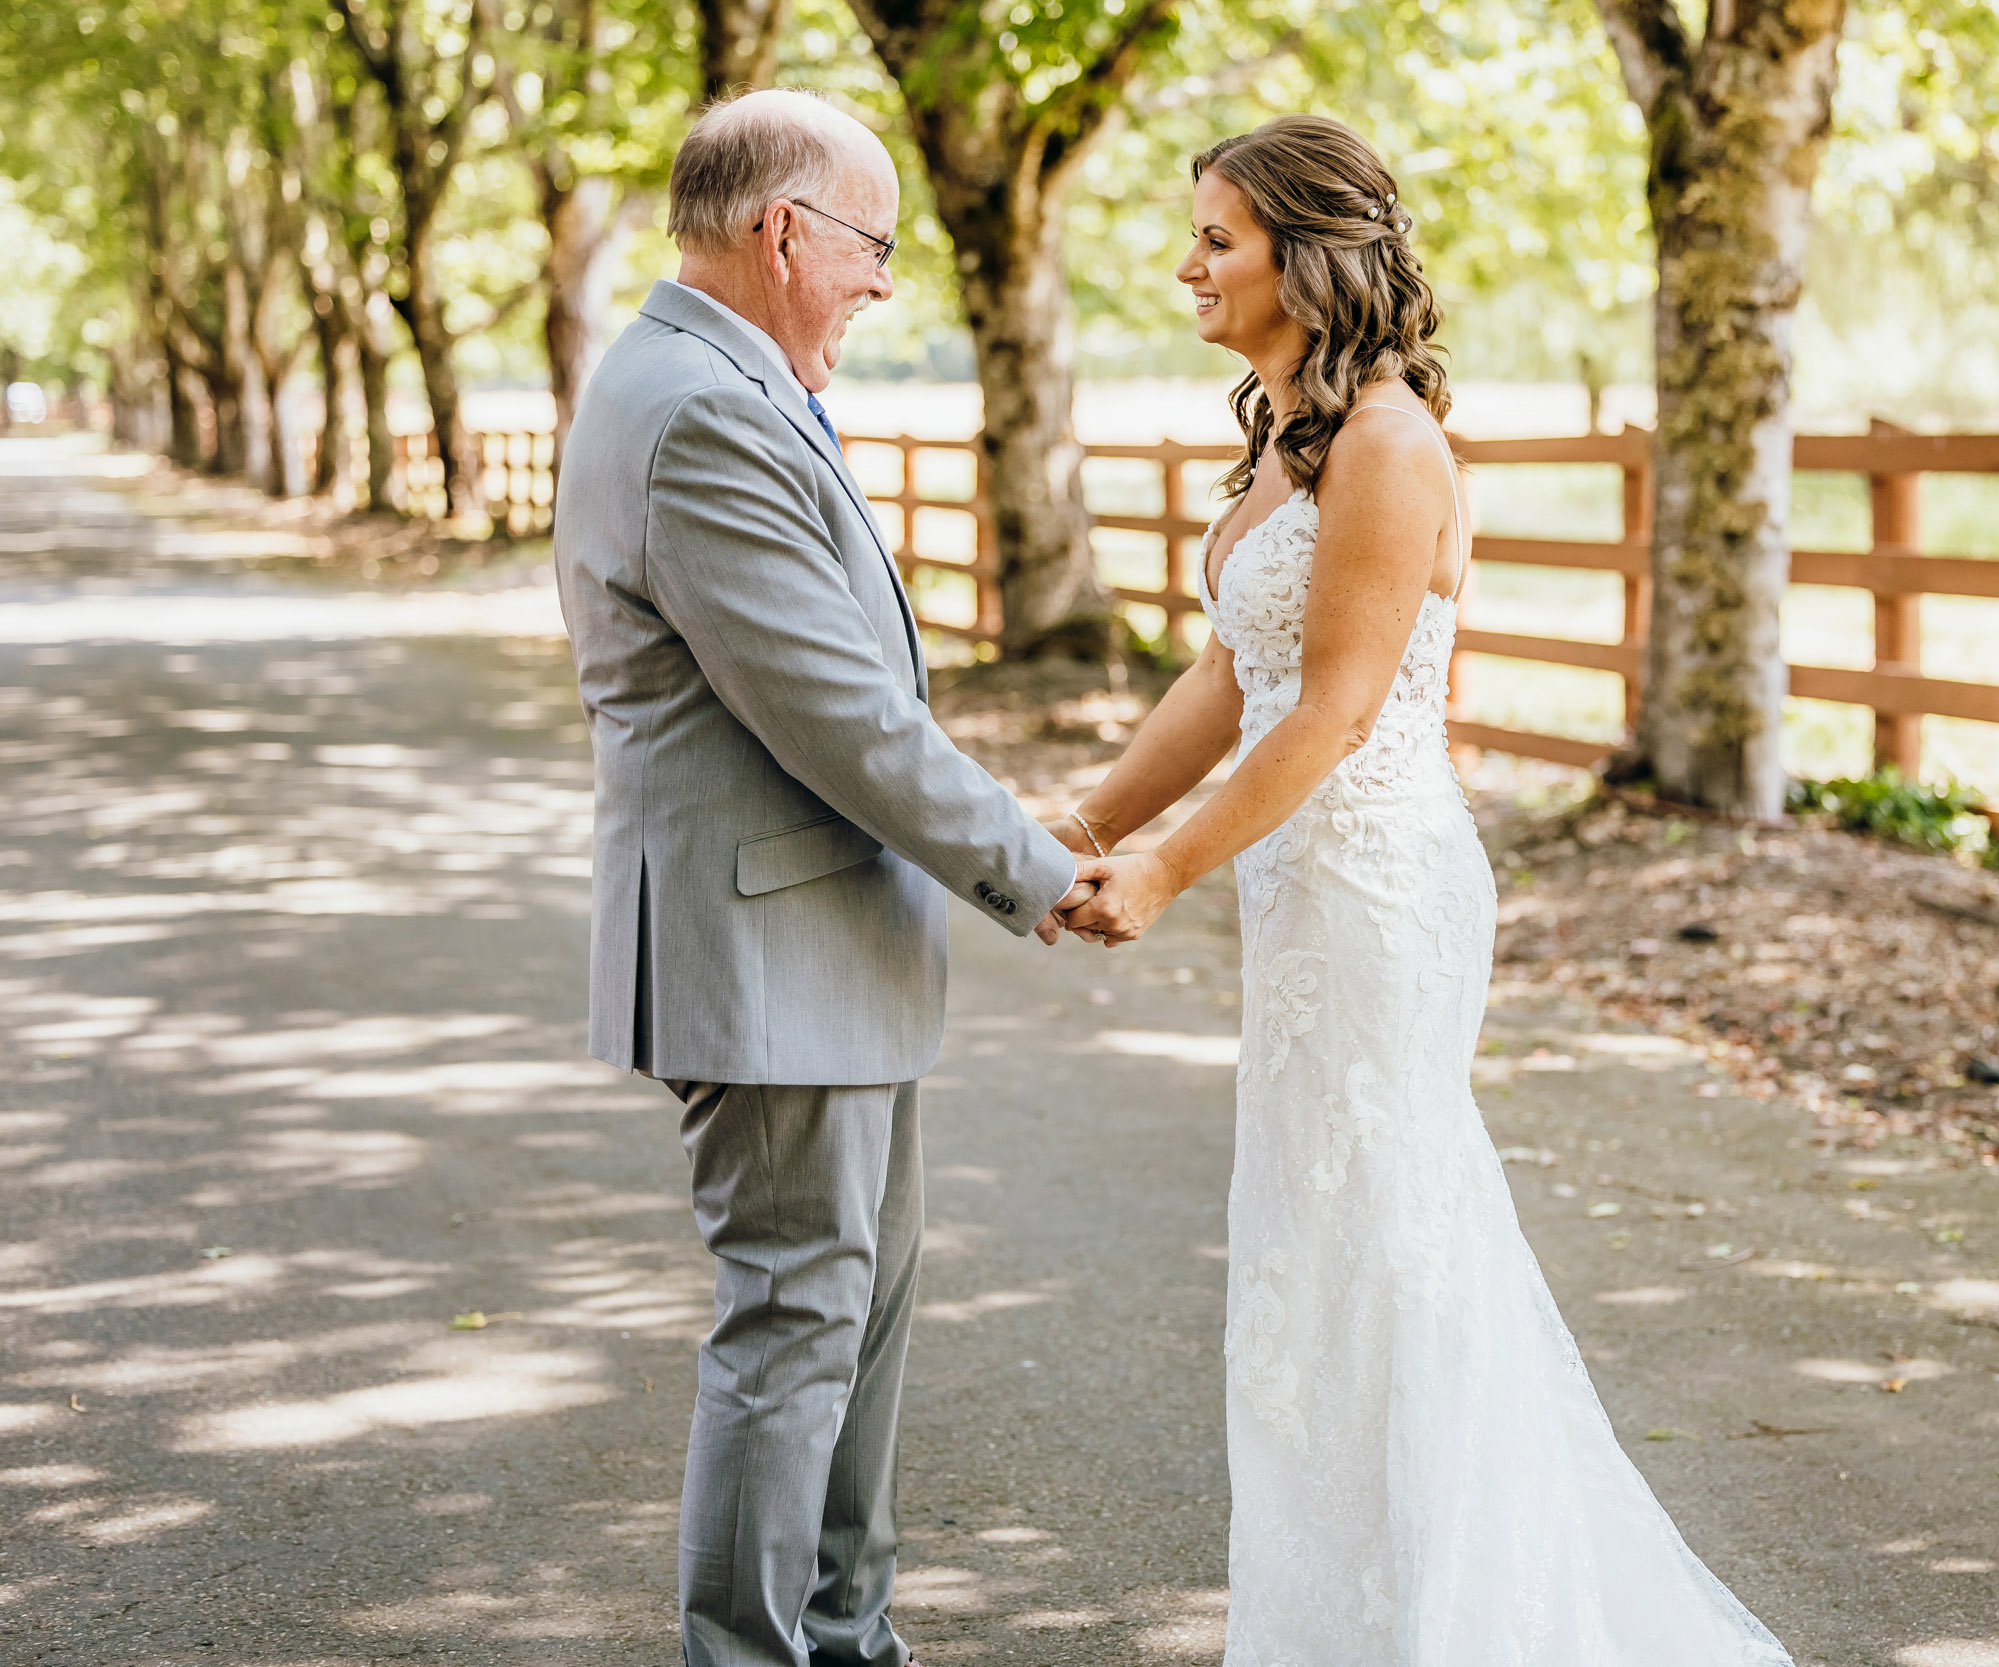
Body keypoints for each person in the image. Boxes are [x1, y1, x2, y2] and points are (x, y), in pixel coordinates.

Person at [1057, 115, 1793, 1665]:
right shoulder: (1282, 433)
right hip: (1303, 883)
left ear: (1307, 260)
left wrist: (1170, 866)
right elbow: (1230, 667)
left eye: (1217, 237)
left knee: (1393, 1252)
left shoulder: (1390, 445)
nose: (1185, 263)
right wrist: (1088, 817)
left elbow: (1329, 709)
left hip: (1377, 886)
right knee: (1316, 1273)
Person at [551, 89, 1101, 1667]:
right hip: (766, 950)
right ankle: (751, 1654)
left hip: (820, 943)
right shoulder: (698, 407)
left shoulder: (716, 378)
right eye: (870, 245)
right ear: (780, 229)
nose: (880, 282)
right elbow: (839, 714)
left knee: (852, 1325)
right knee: (795, 1325)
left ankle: (848, 1639)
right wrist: (1035, 867)